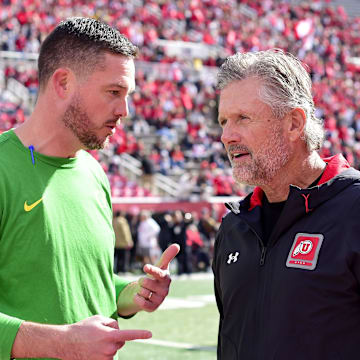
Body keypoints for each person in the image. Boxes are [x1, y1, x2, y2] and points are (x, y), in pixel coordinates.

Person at [0, 17, 180, 360]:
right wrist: (60, 342)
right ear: (63, 82)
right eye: (114, 92)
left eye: (127, 95)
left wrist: (132, 294)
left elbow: (81, 285)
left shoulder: (94, 173)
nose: (124, 111)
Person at [212, 48, 360, 360]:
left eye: (243, 118)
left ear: (294, 123)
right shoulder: (234, 225)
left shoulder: (354, 208)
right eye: (224, 120)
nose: (226, 135)